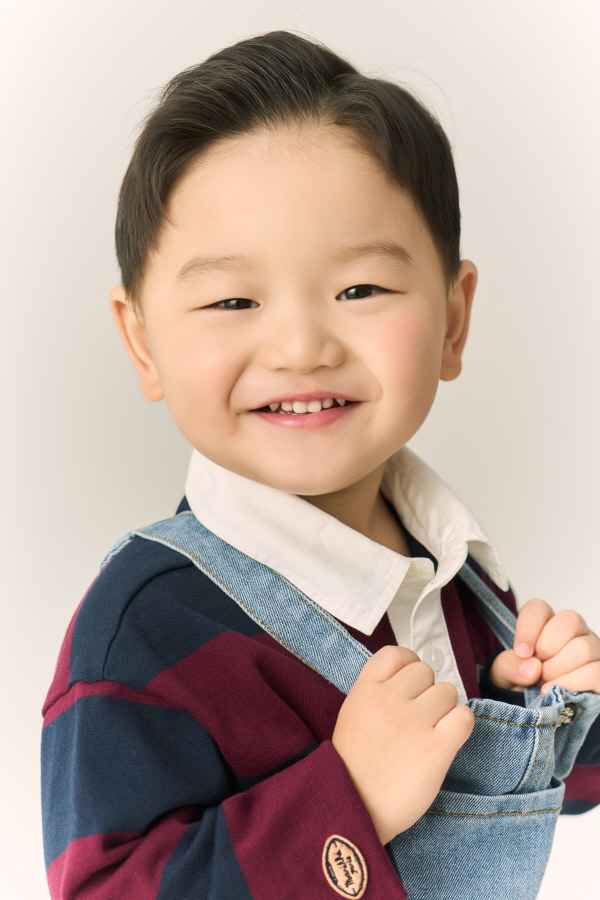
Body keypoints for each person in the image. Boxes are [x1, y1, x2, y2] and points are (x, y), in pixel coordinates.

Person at [41, 30, 600, 900]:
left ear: (453, 321)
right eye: (234, 299)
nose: (301, 346)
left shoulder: (453, 571)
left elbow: (538, 804)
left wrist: (544, 709)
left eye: (360, 290)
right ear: (143, 343)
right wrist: (348, 799)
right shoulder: (142, 629)